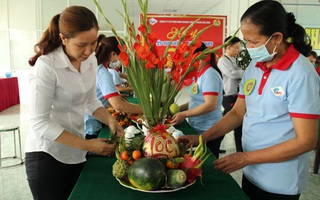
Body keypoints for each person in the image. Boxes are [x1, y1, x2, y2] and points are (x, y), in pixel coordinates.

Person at [178, 1, 320, 199]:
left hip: (280, 181)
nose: (250, 48)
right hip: (251, 171)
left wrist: (245, 157)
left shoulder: (301, 74)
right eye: (247, 42)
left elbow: (306, 141)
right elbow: (237, 112)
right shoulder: (256, 65)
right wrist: (201, 138)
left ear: (277, 37)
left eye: (254, 42)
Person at [26, 6, 124, 200]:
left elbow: (89, 100)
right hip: (47, 154)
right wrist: (87, 145)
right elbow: (40, 123)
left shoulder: (90, 61)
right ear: (64, 38)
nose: (88, 51)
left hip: (76, 152)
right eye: (81, 45)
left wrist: (110, 119)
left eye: (93, 43)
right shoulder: (47, 66)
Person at [170, 42, 224, 158]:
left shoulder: (210, 75)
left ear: (203, 57)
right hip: (198, 126)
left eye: (191, 59)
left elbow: (210, 104)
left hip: (209, 129)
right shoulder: (199, 74)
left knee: (207, 161)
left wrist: (184, 114)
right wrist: (179, 109)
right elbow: (197, 101)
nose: (189, 63)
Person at [85, 35, 142, 139]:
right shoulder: (103, 73)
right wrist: (143, 110)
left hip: (88, 120)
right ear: (112, 54)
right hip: (90, 125)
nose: (122, 60)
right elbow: (118, 105)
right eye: (122, 56)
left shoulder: (96, 68)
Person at [218, 35, 244, 152]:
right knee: (233, 124)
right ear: (228, 47)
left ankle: (215, 142)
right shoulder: (223, 61)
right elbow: (233, 74)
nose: (238, 51)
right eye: (236, 48)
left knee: (231, 123)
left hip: (235, 96)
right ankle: (239, 150)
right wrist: (246, 71)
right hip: (228, 97)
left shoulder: (232, 59)